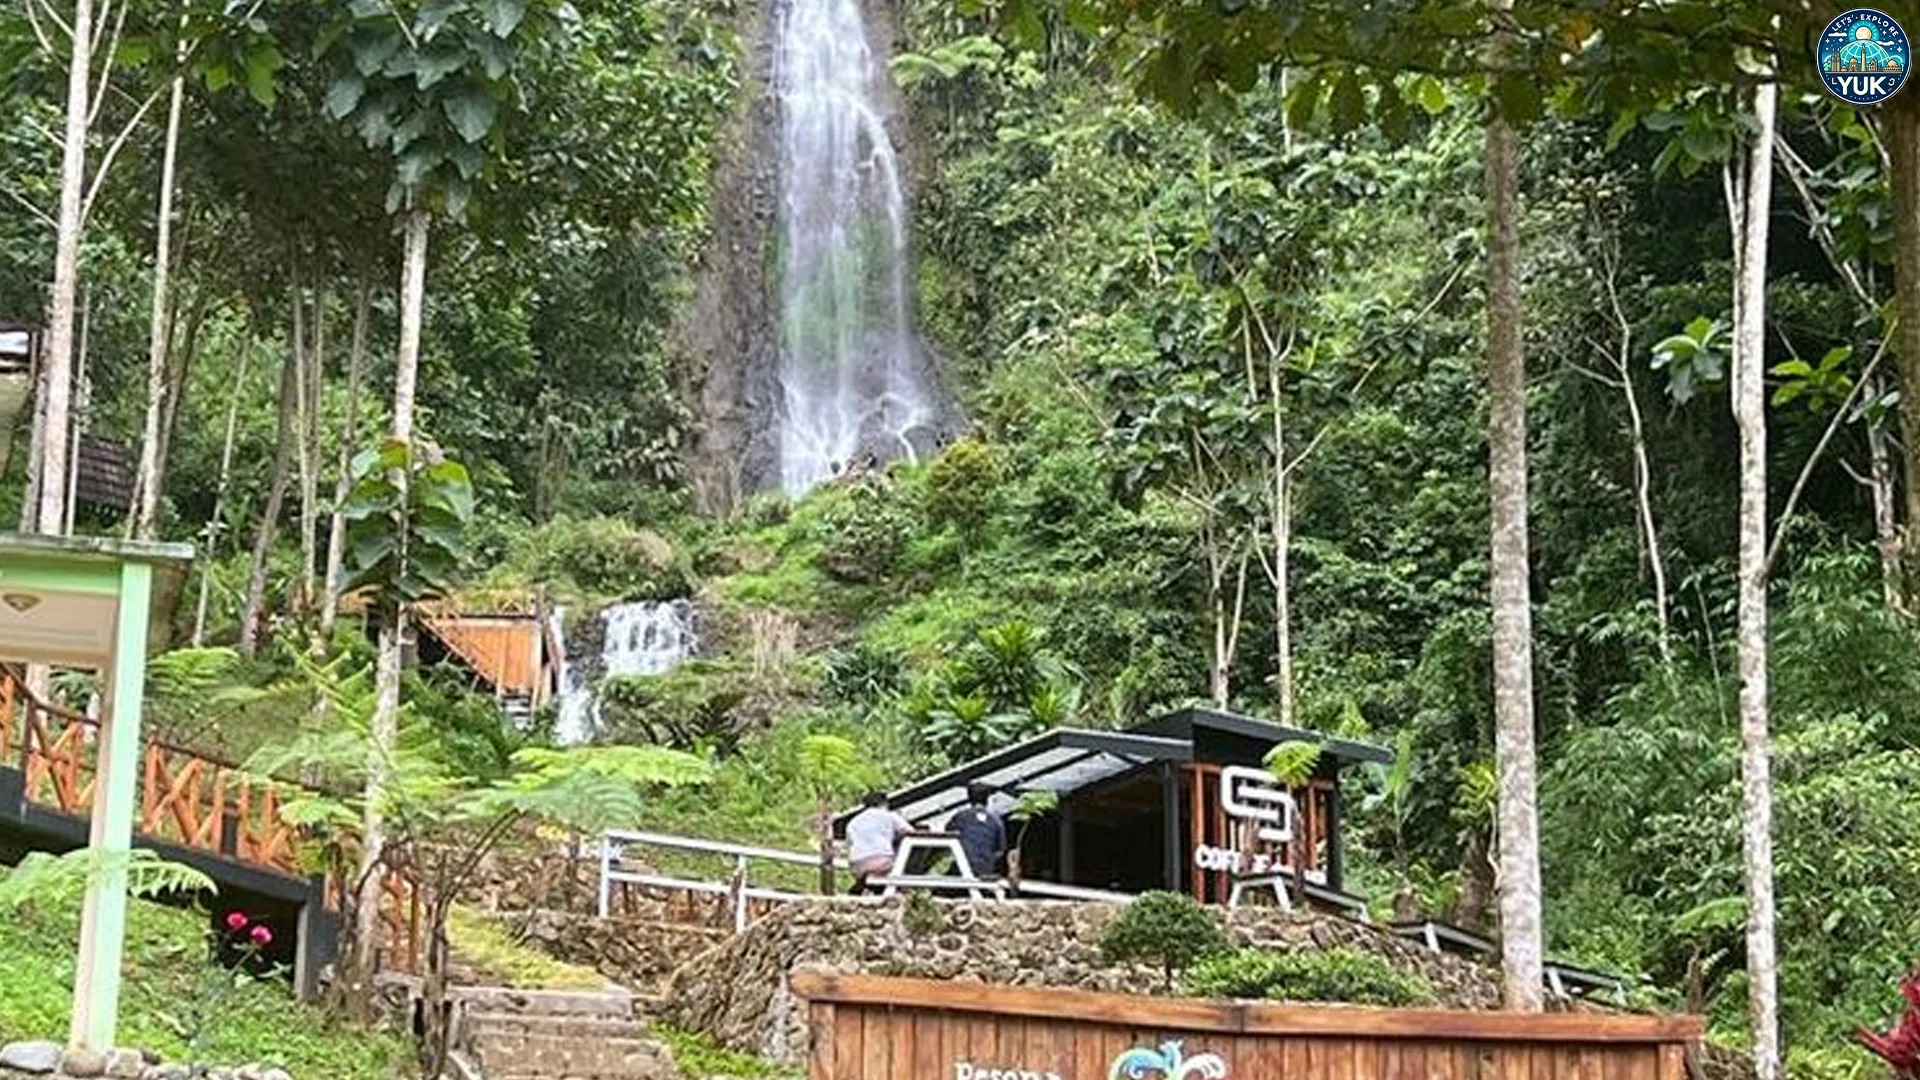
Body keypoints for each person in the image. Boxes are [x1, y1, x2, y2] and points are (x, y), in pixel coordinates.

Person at [845, 790, 911, 893]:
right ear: (885, 803)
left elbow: (849, 845)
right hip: (881, 863)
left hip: (856, 865)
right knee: (905, 858)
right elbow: (910, 833)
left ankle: (866, 884)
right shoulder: (889, 815)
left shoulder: (853, 822)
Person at [949, 782, 1006, 879]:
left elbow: (948, 835)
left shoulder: (960, 817)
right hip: (987, 872)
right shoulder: (996, 821)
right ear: (987, 799)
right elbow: (1001, 850)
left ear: (969, 798)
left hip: (963, 871)